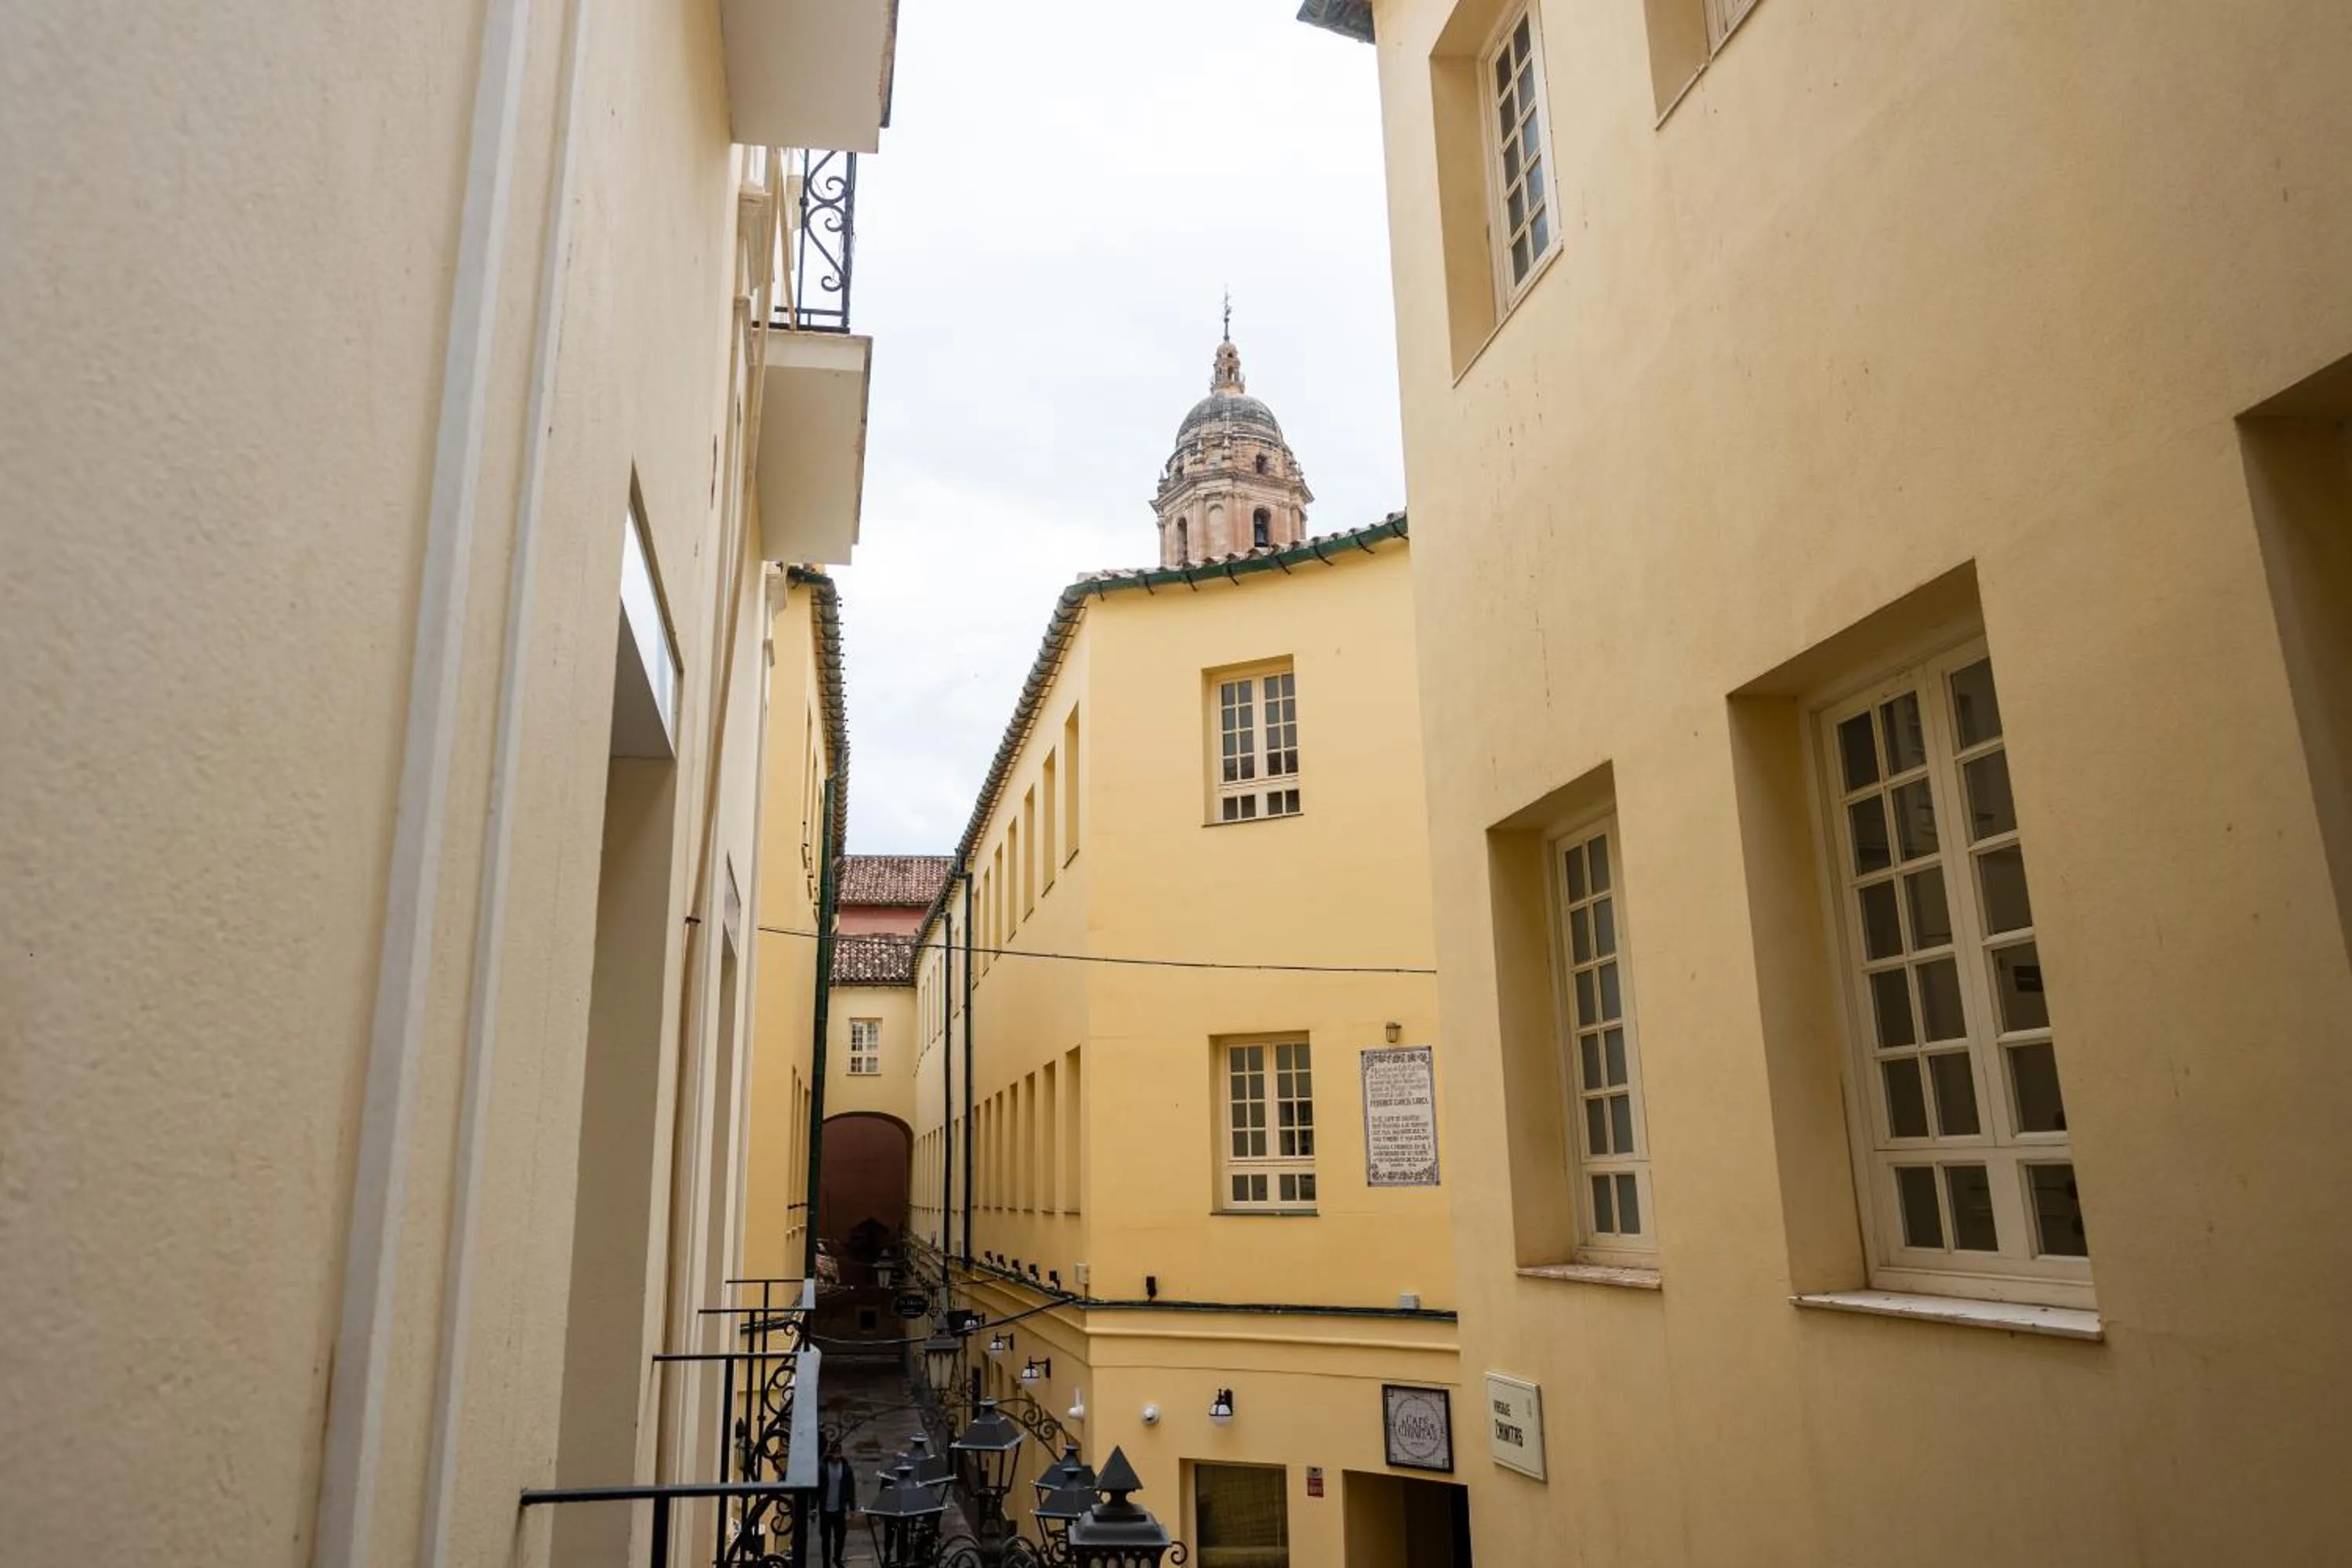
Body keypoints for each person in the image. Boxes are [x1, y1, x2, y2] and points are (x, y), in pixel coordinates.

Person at [817, 1440, 858, 1568]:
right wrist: (813, 1506)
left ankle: (837, 1558)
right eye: (834, 1454)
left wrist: (852, 1508)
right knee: (826, 1539)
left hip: (839, 1509)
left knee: (840, 1537)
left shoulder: (846, 1470)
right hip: (825, 1509)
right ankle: (826, 1564)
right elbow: (817, 1489)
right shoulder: (823, 1468)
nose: (836, 1457)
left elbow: (851, 1489)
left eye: (838, 1454)